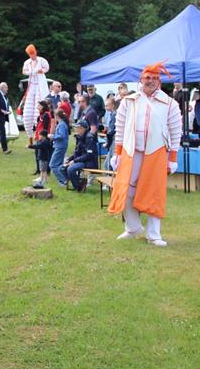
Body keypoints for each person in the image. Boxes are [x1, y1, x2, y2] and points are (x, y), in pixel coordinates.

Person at [109, 62, 182, 247]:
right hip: (131, 151)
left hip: (156, 152)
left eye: (154, 78)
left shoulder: (170, 103)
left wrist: (172, 157)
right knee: (125, 189)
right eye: (147, 78)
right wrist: (117, 153)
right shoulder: (129, 101)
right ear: (141, 80)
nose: (150, 81)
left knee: (154, 192)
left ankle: (154, 234)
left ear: (159, 81)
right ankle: (132, 227)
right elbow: (119, 128)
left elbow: (175, 131)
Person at [22, 44, 49, 140]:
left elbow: (46, 68)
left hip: (40, 86)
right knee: (27, 112)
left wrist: (40, 71)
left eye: (33, 53)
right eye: (30, 54)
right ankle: (30, 137)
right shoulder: (27, 62)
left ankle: (39, 135)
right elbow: (24, 71)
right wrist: (30, 72)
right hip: (31, 85)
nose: (32, 56)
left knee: (38, 110)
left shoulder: (42, 60)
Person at [63, 120, 97, 192]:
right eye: (76, 127)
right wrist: (69, 159)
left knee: (70, 169)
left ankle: (78, 187)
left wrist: (74, 161)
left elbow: (89, 155)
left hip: (89, 161)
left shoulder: (89, 138)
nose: (76, 129)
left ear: (83, 128)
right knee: (62, 168)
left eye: (78, 127)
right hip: (81, 160)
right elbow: (77, 152)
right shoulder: (79, 137)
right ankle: (79, 183)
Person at [49, 109, 69, 187]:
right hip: (60, 146)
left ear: (57, 116)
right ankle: (63, 181)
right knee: (59, 165)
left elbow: (61, 136)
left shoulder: (62, 125)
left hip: (60, 146)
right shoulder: (62, 124)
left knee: (52, 165)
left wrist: (52, 136)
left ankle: (63, 180)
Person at [102, 97, 117, 170]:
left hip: (114, 140)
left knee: (109, 163)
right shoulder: (111, 115)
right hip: (111, 139)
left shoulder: (114, 115)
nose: (105, 107)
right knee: (107, 163)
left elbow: (111, 131)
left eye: (107, 105)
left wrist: (107, 143)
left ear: (113, 105)